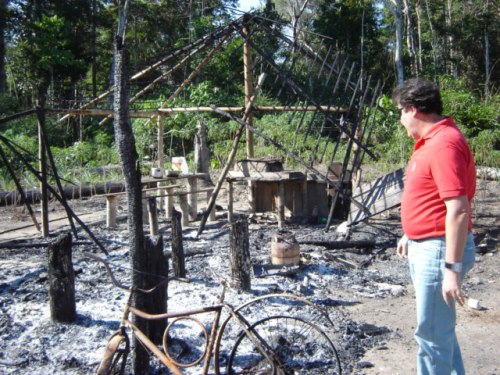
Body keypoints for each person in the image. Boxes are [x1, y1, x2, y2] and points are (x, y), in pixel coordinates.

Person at [392, 78, 476, 375]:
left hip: (440, 250)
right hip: (427, 244)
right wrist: (410, 233)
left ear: (413, 110)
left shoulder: (443, 144)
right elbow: (431, 197)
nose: (401, 120)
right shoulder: (430, 142)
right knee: (440, 333)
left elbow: (457, 209)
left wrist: (450, 270)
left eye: (401, 112)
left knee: (431, 337)